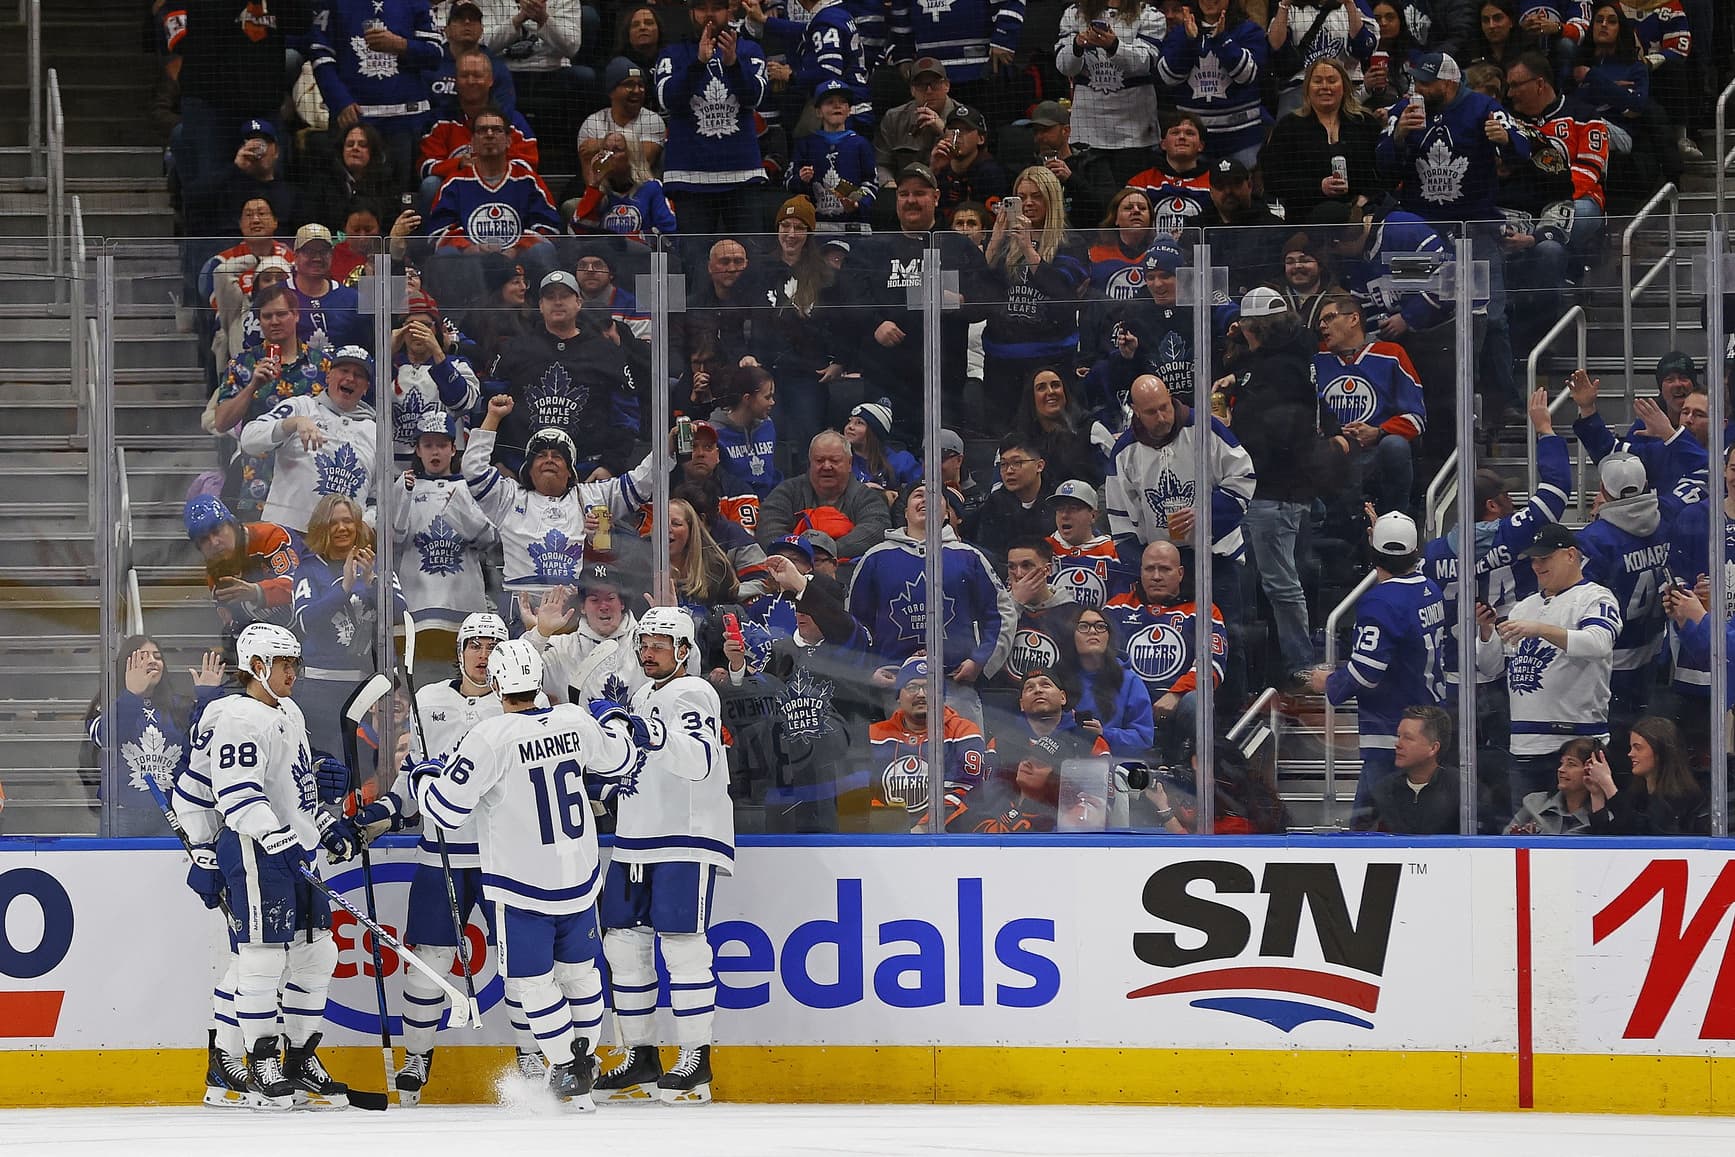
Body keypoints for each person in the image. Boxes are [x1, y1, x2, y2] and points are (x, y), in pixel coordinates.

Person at [410, 636, 640, 1108]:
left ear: (496, 684)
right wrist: (615, 720)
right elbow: (622, 759)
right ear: (537, 681)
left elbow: (447, 812)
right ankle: (585, 1059)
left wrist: (424, 777)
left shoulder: (491, 737)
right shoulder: (574, 720)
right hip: (577, 878)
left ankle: (567, 1064)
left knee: (530, 984)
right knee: (580, 975)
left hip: (521, 886)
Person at [351, 613, 550, 1098]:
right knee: (429, 961)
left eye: (493, 646)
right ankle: (417, 1057)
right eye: (476, 645)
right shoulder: (429, 701)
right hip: (440, 853)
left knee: (519, 962)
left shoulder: (525, 706)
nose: (484, 655)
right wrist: (387, 810)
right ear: (460, 652)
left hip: (504, 857)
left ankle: (531, 1056)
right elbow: (413, 776)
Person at [173, 623, 360, 1110]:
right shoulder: (238, 718)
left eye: (295, 663)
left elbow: (293, 792)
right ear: (257, 666)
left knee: (318, 955)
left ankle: (296, 1059)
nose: (293, 672)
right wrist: (268, 840)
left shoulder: (288, 711)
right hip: (256, 851)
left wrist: (323, 822)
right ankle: (259, 1062)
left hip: (292, 849)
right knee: (261, 958)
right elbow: (237, 796)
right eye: (284, 664)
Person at [594, 607, 733, 1105]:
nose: (648, 651)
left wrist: (649, 733)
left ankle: (696, 1057)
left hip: (683, 838)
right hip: (635, 836)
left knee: (682, 945)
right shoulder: (640, 695)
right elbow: (634, 765)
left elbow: (699, 759)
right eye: (644, 643)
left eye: (659, 644)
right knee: (624, 947)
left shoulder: (693, 692)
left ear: (683, 651)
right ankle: (642, 1055)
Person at [1232, 288, 1346, 685]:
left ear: (1253, 328)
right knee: (1285, 579)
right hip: (1289, 489)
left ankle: (1302, 664)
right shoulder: (1294, 361)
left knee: (1281, 584)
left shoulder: (1275, 371)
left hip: (1271, 491)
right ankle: (1292, 658)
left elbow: (1267, 430)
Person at [1475, 522, 1622, 820]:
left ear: (1570, 555)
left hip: (1575, 747)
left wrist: (1540, 629)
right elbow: (1490, 667)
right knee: (1526, 838)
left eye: (1545, 558)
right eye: (1533, 559)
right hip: (1525, 747)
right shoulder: (1523, 608)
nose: (1537, 565)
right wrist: (1487, 630)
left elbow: (1599, 643)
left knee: (1581, 834)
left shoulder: (1596, 598)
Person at [1307, 512, 1447, 822]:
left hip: (1391, 732)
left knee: (1370, 825)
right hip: (1428, 720)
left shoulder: (1381, 601)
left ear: (1373, 551)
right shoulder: (1429, 589)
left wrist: (1329, 682)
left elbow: (1367, 673)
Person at [462, 393, 656, 587]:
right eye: (541, 455)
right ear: (528, 470)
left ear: (570, 472)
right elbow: (474, 469)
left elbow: (640, 483)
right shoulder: (508, 497)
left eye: (557, 456)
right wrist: (493, 417)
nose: (548, 460)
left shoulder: (591, 496)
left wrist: (667, 449)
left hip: (572, 607)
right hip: (521, 607)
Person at [849, 482, 1017, 683]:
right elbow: (855, 622)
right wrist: (868, 671)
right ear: (905, 512)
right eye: (918, 495)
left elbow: (1000, 614)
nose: (925, 499)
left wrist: (979, 662)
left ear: (946, 513)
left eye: (933, 494)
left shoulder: (969, 556)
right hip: (896, 684)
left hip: (956, 682)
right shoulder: (876, 557)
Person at [488, 270, 647, 479]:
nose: (558, 302)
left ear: (578, 302)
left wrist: (610, 465)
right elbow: (489, 408)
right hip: (521, 472)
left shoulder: (605, 352)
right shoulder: (514, 349)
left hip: (586, 472)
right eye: (550, 297)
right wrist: (498, 461)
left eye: (564, 296)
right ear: (540, 305)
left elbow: (626, 416)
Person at [288, 493, 406, 758]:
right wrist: (344, 587)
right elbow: (306, 621)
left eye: (348, 521)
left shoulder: (378, 566)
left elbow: (400, 614)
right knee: (323, 763)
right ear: (322, 528)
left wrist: (372, 580)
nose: (342, 528)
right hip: (321, 689)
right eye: (333, 523)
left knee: (366, 766)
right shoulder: (308, 570)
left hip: (370, 687)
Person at [1105, 374, 1256, 571]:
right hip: (1161, 567)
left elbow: (1244, 476)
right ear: (1136, 411)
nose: (1161, 418)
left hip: (1216, 557)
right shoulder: (1124, 451)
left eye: (1164, 407)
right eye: (1151, 412)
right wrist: (1143, 567)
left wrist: (1207, 514)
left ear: (1170, 396)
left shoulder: (1205, 427)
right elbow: (1121, 524)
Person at [210, 286, 333, 521]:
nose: (274, 321)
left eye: (281, 314)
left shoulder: (323, 365)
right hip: (259, 484)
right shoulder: (242, 364)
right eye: (267, 316)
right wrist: (252, 387)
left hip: (310, 487)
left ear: (296, 314)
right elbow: (222, 422)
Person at [654, 0, 770, 244]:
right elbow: (668, 100)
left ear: (729, 11)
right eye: (701, 8)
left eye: (716, 7)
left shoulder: (749, 50)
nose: (709, 14)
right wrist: (698, 64)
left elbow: (755, 97)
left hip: (742, 175)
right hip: (690, 178)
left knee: (750, 262)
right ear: (690, 13)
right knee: (695, 266)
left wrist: (734, 66)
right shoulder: (672, 53)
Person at [86, 637, 226, 835]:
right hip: (122, 814)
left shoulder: (181, 706)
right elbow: (106, 737)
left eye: (157, 656)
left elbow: (203, 744)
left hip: (173, 812)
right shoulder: (107, 703)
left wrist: (208, 699)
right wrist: (132, 696)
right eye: (142, 657)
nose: (152, 660)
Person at [425, 106, 562, 304]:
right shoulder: (455, 182)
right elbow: (438, 232)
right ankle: (454, 321)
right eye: (481, 130)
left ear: (508, 140)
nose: (489, 134)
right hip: (472, 261)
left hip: (518, 261)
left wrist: (517, 248)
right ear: (471, 142)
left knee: (543, 251)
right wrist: (470, 247)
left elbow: (549, 229)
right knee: (447, 256)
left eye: (497, 130)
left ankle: (545, 315)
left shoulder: (527, 180)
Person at [1575, 453, 1669, 740]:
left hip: (1611, 659)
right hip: (1654, 647)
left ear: (1603, 489)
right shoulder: (1663, 524)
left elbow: (1579, 597)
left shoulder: (1595, 538)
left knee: (1613, 741)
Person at [1106, 540, 1227, 762]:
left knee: (1197, 701)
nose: (1156, 576)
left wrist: (1176, 693)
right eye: (1150, 569)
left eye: (1165, 569)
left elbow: (1213, 664)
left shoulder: (1203, 609)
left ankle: (1195, 768)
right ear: (1140, 571)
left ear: (1180, 573)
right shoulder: (1116, 608)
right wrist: (1134, 697)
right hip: (1129, 703)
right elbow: (1104, 660)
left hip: (1177, 705)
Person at [238, 345, 379, 534]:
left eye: (359, 375)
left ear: (366, 388)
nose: (350, 378)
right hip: (287, 536)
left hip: (341, 544)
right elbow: (249, 438)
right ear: (328, 376)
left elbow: (380, 498)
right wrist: (292, 423)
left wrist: (364, 524)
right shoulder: (301, 407)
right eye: (344, 370)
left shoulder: (376, 432)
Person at [981, 167, 1089, 411]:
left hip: (1052, 359)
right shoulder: (1004, 241)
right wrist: (995, 242)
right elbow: (980, 286)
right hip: (1002, 358)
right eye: (1021, 196)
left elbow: (1064, 294)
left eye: (1036, 196)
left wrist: (1029, 251)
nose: (1028, 203)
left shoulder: (1071, 242)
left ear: (1052, 198)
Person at [1313, 289, 1426, 515]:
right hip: (1331, 455)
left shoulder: (1391, 354)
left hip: (1375, 454)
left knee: (1395, 446)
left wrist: (1379, 432)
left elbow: (1416, 419)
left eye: (1329, 318)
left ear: (1353, 319)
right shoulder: (1316, 360)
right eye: (1320, 322)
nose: (1322, 326)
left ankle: (1397, 518)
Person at [308, 0, 441, 186]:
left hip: (404, 121)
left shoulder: (415, 2)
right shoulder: (333, 3)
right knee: (351, 199)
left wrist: (400, 45)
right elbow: (320, 55)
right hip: (354, 121)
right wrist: (339, 101)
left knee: (400, 198)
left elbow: (435, 54)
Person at [392, 413, 495, 652]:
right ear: (417, 450)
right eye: (428, 445)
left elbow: (489, 541)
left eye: (441, 445)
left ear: (453, 448)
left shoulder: (470, 488)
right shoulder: (404, 487)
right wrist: (402, 496)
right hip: (417, 606)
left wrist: (460, 511)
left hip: (464, 605)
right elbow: (395, 541)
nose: (435, 452)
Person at [1258, 57, 1387, 224]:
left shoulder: (1364, 123)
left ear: (1344, 87)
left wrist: (1366, 197)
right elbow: (1272, 180)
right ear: (1307, 89)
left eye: (1332, 80)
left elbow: (1383, 171)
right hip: (1305, 221)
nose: (1325, 87)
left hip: (1357, 219)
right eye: (1318, 81)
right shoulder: (1288, 126)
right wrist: (1318, 187)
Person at [1053, 3, 1168, 185]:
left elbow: (1145, 63)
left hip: (1135, 134)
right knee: (1091, 201)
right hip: (1088, 132)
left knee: (1130, 199)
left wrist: (1113, 45)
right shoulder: (1074, 13)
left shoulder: (1150, 15)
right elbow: (1064, 66)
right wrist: (1077, 44)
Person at [863, 655, 990, 817]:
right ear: (898, 697)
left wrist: (924, 829)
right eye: (911, 687)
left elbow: (967, 789)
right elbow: (863, 790)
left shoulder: (963, 731)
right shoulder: (874, 735)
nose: (921, 694)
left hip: (945, 835)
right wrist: (887, 824)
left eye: (929, 687)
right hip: (887, 834)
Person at [1154, 0, 1269, 167]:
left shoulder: (1248, 30)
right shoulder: (1181, 32)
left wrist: (1222, 40)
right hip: (1194, 141)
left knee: (1241, 190)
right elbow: (1168, 76)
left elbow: (1247, 75)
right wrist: (1188, 41)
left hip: (1242, 139)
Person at [479, 0, 586, 173]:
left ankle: (573, 169)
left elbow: (571, 46)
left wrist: (543, 18)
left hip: (552, 70)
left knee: (584, 79)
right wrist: (518, 19)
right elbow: (483, 45)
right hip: (505, 73)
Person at [757, 430, 894, 561]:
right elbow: (769, 528)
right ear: (810, 462)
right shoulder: (786, 491)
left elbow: (875, 529)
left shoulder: (868, 497)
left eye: (834, 460)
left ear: (849, 463)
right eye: (819, 460)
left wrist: (825, 553)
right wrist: (799, 555)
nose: (827, 466)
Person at [184, 495, 303, 645]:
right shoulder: (215, 570)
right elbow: (233, 621)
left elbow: (303, 584)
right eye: (204, 539)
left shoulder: (271, 536)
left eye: (217, 530)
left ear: (232, 524)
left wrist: (257, 591)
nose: (214, 542)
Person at [419, 49, 541, 193]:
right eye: (464, 76)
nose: (470, 81)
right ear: (456, 80)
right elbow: (425, 167)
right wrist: (459, 164)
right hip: (455, 191)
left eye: (477, 75)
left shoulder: (511, 120)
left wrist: (493, 166)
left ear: (490, 80)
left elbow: (528, 164)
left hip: (502, 190)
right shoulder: (439, 120)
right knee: (430, 184)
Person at [388, 289, 482, 465]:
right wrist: (386, 354)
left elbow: (463, 402)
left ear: (436, 329)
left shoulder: (458, 365)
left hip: (444, 474)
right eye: (411, 325)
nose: (418, 331)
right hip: (392, 475)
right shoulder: (389, 366)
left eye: (425, 325)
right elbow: (367, 399)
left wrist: (438, 353)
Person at [1583, 716, 1708, 835]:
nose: (1630, 754)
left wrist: (1607, 784)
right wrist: (1597, 794)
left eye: (1638, 748)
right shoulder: (1637, 797)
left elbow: (1646, 833)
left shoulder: (1682, 798)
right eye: (1631, 748)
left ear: (1660, 752)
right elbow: (1607, 838)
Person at [786, 81, 879, 229]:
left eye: (843, 102)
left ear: (849, 110)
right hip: (816, 227)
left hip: (854, 226)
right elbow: (789, 182)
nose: (837, 106)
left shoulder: (861, 144)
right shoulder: (806, 144)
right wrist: (801, 179)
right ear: (818, 111)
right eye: (830, 102)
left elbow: (870, 183)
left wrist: (857, 202)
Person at [1069, 606, 1156, 757]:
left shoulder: (1130, 682)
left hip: (1113, 766)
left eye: (1100, 626)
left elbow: (1144, 739)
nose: (1092, 631)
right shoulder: (1057, 678)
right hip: (1062, 763)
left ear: (1109, 636)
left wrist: (1104, 734)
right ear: (1071, 636)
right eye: (1083, 626)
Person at [967, 432, 1057, 571]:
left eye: (1017, 463)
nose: (1009, 471)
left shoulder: (1058, 501)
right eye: (1003, 464)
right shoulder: (995, 504)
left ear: (1039, 466)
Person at [1365, 704, 1459, 834]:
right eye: (1399, 736)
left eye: (1408, 738)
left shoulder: (1461, 790)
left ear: (1433, 748)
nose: (1398, 744)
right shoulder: (1382, 791)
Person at [567, 131, 679, 239]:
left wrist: (622, 241)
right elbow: (576, 233)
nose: (608, 156)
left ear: (631, 155)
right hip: (605, 255)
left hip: (643, 255)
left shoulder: (652, 188)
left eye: (616, 150)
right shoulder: (600, 193)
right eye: (605, 150)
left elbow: (668, 231)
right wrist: (594, 186)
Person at [1012, 367, 1105, 491]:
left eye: (1055, 385)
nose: (1050, 392)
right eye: (1041, 388)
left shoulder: (1092, 430)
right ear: (1031, 399)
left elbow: (1117, 474)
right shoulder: (1018, 441)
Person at [872, 57, 959, 187]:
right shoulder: (894, 118)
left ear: (947, 85)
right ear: (912, 90)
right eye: (921, 85)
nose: (929, 91)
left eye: (935, 83)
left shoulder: (962, 117)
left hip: (950, 188)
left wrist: (943, 129)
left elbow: (967, 158)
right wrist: (890, 185)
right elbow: (882, 163)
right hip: (905, 192)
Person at [1126, 112, 1213, 236]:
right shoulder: (1140, 183)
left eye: (1190, 133)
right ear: (1163, 144)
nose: (1182, 137)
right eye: (1175, 132)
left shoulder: (1214, 182)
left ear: (1201, 145)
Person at [303, 123, 397, 234]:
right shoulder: (322, 182)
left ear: (373, 152)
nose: (355, 148)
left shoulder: (385, 183)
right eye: (350, 144)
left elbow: (389, 224)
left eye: (362, 145)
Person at [579, 57, 667, 173]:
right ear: (611, 92)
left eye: (640, 85)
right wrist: (630, 148)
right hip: (602, 189)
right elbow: (591, 170)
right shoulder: (593, 122)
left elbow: (642, 161)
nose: (637, 90)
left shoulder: (652, 120)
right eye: (629, 85)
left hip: (642, 189)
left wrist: (603, 144)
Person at [1046, 480, 1122, 610]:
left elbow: (1119, 603)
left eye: (1073, 509)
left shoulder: (1112, 553)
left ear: (1093, 516)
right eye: (1060, 509)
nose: (1064, 515)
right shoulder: (1042, 549)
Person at [928, 103, 1011, 217]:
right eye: (952, 129)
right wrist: (933, 170)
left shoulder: (990, 173)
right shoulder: (941, 169)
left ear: (981, 139)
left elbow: (990, 220)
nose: (957, 135)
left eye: (965, 129)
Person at [1504, 736, 1597, 834]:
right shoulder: (1534, 803)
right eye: (1561, 763)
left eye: (1571, 764)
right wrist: (1516, 839)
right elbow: (1502, 841)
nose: (1561, 769)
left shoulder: (1603, 817)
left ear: (1594, 771)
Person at [844, 400, 921, 500]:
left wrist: (890, 495)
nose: (850, 426)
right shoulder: (842, 461)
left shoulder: (901, 461)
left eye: (859, 423)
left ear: (875, 431)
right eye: (850, 421)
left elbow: (920, 491)